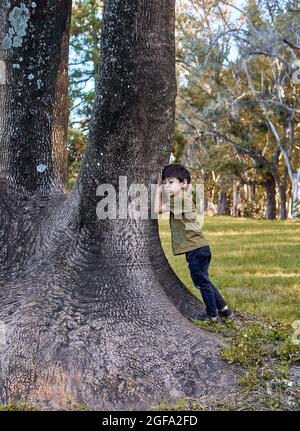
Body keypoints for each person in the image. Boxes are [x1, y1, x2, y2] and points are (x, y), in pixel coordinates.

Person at [153, 163, 232, 323]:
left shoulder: (179, 200)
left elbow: (157, 209)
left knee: (202, 283)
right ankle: (224, 309)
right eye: (165, 182)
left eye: (170, 182)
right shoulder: (182, 198)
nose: (166, 186)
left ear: (183, 183)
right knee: (205, 280)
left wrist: (157, 188)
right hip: (200, 248)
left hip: (196, 249)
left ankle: (212, 315)